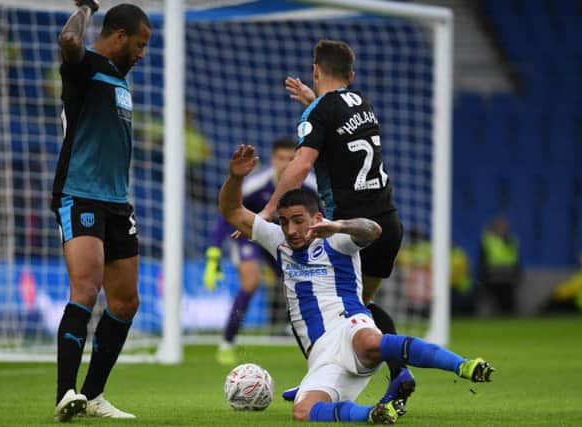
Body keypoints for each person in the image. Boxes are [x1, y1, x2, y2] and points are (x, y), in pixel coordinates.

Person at [220, 145, 495, 424]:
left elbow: (373, 230)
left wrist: (339, 227)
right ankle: (374, 414)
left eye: (299, 221)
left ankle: (463, 365)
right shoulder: (277, 239)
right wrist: (235, 178)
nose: (291, 230)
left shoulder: (336, 238)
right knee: (302, 412)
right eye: (285, 222)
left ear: (316, 218)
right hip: (321, 354)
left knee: (368, 342)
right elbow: (231, 210)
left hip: (350, 325)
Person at [258, 39, 413, 412]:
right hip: (387, 221)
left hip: (349, 227)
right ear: (351, 75)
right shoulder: (362, 103)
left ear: (315, 69)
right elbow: (336, 121)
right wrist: (313, 102)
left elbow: (300, 165)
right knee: (360, 307)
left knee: (322, 301)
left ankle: (328, 376)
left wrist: (267, 210)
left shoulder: (319, 113)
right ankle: (398, 373)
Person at [50, 1, 151, 422]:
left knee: (126, 301)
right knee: (86, 290)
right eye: (140, 44)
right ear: (119, 36)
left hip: (116, 201)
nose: (143, 54)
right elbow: (70, 39)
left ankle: (92, 396)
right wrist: (87, 8)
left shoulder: (117, 79)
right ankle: (65, 394)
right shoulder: (85, 67)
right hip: (81, 193)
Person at [203, 137, 316, 365]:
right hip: (248, 236)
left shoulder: (310, 186)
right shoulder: (255, 184)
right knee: (251, 281)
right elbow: (227, 213)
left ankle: (306, 335)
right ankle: (227, 342)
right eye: (281, 158)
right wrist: (214, 253)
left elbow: (321, 215)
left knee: (294, 280)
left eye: (291, 159)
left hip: (283, 238)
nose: (285, 164)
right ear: (273, 159)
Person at [478, 215, 521, 315]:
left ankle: (510, 320)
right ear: (494, 227)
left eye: (505, 227)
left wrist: (518, 274)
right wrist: (483, 275)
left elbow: (517, 259)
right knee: (497, 303)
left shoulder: (512, 240)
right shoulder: (488, 240)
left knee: (509, 302)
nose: (503, 229)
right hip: (494, 276)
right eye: (500, 226)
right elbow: (482, 260)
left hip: (509, 276)